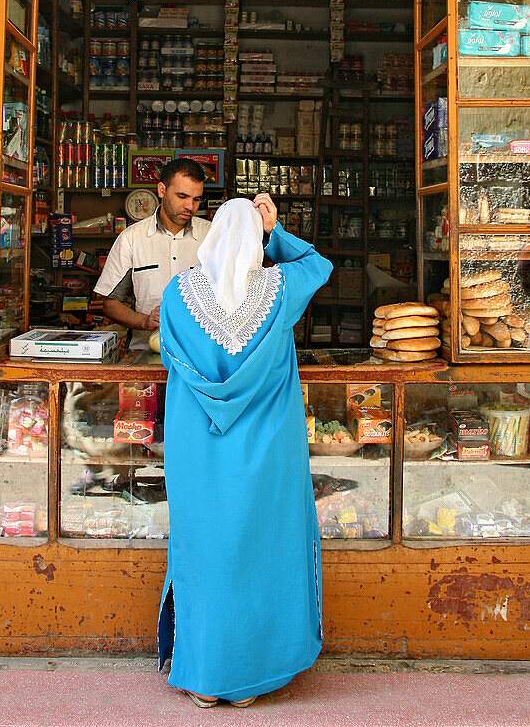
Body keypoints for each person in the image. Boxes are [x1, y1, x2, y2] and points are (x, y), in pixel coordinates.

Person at [157, 193, 332, 708]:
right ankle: (252, 677)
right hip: (268, 445)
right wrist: (274, 229)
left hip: (197, 446)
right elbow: (317, 263)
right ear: (255, 242)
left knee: (203, 549)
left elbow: (169, 355)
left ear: (211, 239)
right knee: (261, 549)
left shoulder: (177, 294)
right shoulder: (279, 290)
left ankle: (205, 677)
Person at [93, 157, 210, 350]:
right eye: (182, 196)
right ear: (162, 190)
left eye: (196, 199)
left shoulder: (213, 236)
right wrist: (146, 321)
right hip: (145, 352)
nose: (190, 206)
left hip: (199, 354)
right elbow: (111, 304)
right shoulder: (131, 238)